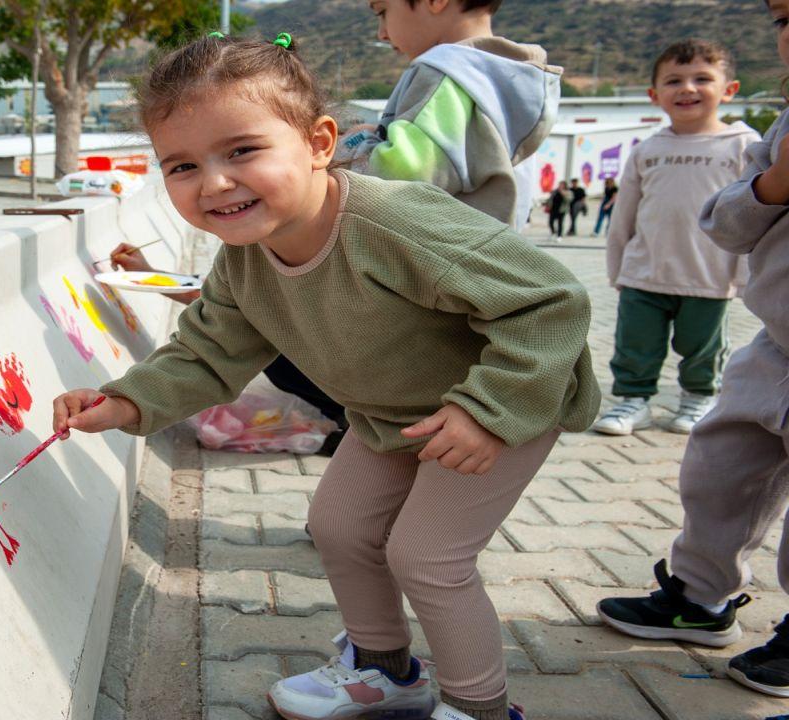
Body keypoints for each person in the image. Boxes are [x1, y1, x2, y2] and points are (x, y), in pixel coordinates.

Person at [53, 34, 599, 720]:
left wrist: (487, 411)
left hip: (504, 401)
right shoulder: (244, 262)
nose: (214, 183)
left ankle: (480, 708)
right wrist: (123, 402)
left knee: (426, 557)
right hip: (393, 416)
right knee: (338, 526)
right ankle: (385, 673)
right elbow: (205, 354)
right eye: (183, 165)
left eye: (241, 151)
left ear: (318, 143)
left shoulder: (395, 223)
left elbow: (550, 302)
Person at [596, 4, 789, 698]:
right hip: (775, 340)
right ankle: (700, 597)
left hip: (711, 287)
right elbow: (730, 222)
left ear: (727, 89)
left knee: (701, 359)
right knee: (718, 467)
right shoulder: (775, 135)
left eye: (702, 78)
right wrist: (773, 185)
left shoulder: (739, 137)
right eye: (783, 18)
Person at [592, 39, 760, 436]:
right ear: (654, 95)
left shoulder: (744, 145)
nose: (687, 88)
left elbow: (752, 215)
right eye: (673, 81)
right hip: (643, 274)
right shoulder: (648, 150)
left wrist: (743, 276)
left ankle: (698, 398)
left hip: (708, 276)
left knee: (703, 347)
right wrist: (618, 269)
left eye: (702, 78)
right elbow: (624, 216)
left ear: (729, 90)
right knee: (635, 344)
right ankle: (633, 402)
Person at [105, 242, 350, 455]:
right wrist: (150, 274)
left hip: (357, 388)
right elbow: (224, 301)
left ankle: (347, 420)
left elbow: (235, 305)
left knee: (270, 352)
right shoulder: (246, 255)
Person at [337, 0, 562, 230]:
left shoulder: (446, 76)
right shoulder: (495, 79)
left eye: (383, 12)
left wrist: (352, 145)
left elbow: (401, 178)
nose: (382, 33)